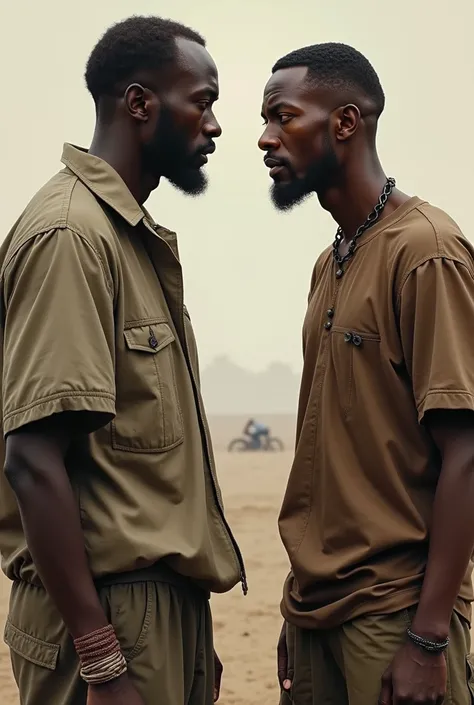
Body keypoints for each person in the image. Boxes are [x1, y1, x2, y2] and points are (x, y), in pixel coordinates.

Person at [0, 16, 246, 705]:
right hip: (102, 619)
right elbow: (32, 457)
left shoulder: (127, 237)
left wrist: (185, 629)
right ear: (140, 104)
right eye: (202, 100)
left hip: (154, 615)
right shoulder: (71, 235)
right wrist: (104, 656)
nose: (216, 124)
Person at [259, 42, 474, 705]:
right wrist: (300, 610)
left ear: (345, 123)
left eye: (281, 116)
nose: (265, 139)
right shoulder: (330, 264)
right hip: (317, 612)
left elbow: (466, 453)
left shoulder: (427, 252)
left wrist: (429, 634)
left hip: (396, 612)